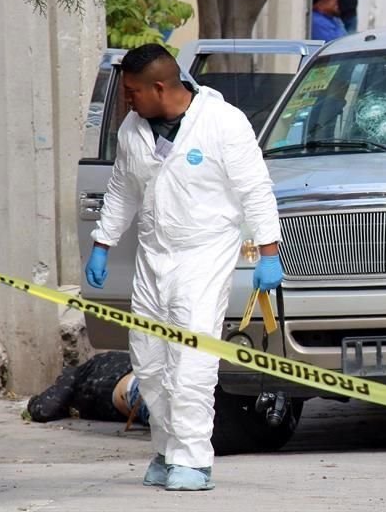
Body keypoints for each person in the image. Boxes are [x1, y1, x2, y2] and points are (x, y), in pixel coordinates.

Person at [84, 43, 283, 491]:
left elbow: (255, 190)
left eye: (132, 92)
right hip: (153, 258)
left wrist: (269, 254)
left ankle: (194, 460)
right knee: (150, 363)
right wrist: (102, 242)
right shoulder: (135, 128)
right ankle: (166, 451)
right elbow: (122, 190)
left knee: (191, 362)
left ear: (160, 87)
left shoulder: (222, 123)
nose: (127, 100)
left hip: (203, 256)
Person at [27, 351, 149, 425]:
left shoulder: (75, 375)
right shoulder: (97, 364)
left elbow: (43, 410)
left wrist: (33, 401)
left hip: (137, 386)